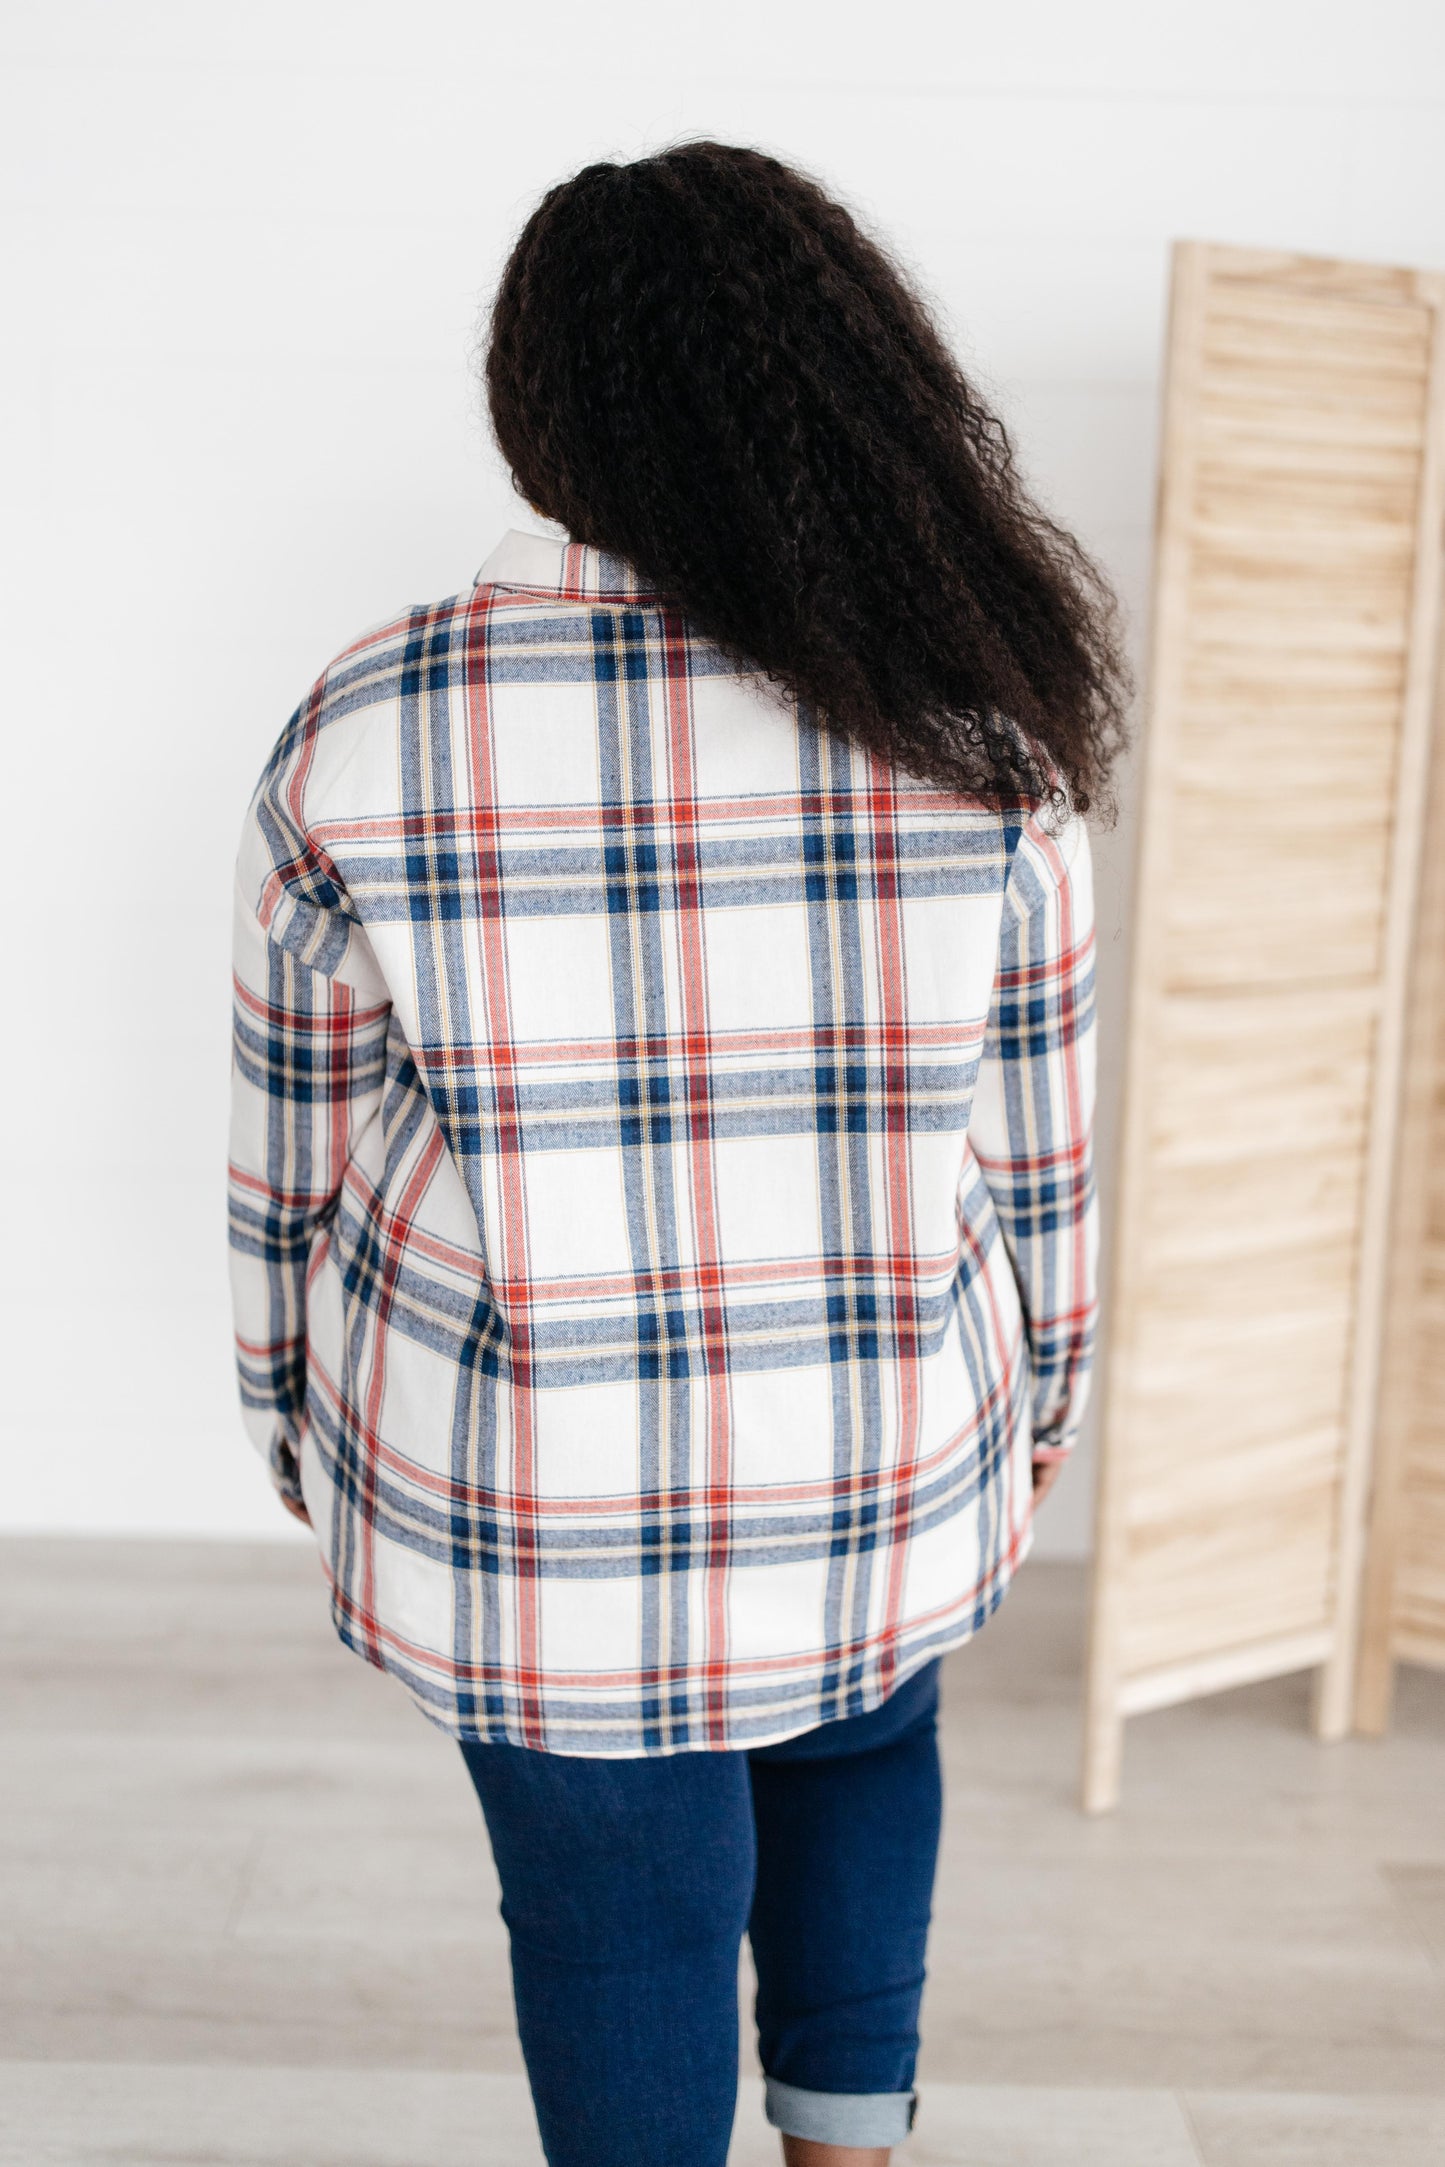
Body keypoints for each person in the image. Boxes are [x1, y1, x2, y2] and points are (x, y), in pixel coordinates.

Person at [228, 141, 1129, 2167]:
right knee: (859, 1746)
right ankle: (851, 2150)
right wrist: (1046, 1386)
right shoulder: (978, 724)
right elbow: (1045, 1134)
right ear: (852, 384)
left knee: (615, 1910)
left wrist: (296, 1420)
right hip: (879, 1443)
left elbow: (284, 1155)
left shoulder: (369, 723)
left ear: (541, 405)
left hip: (525, 1484)